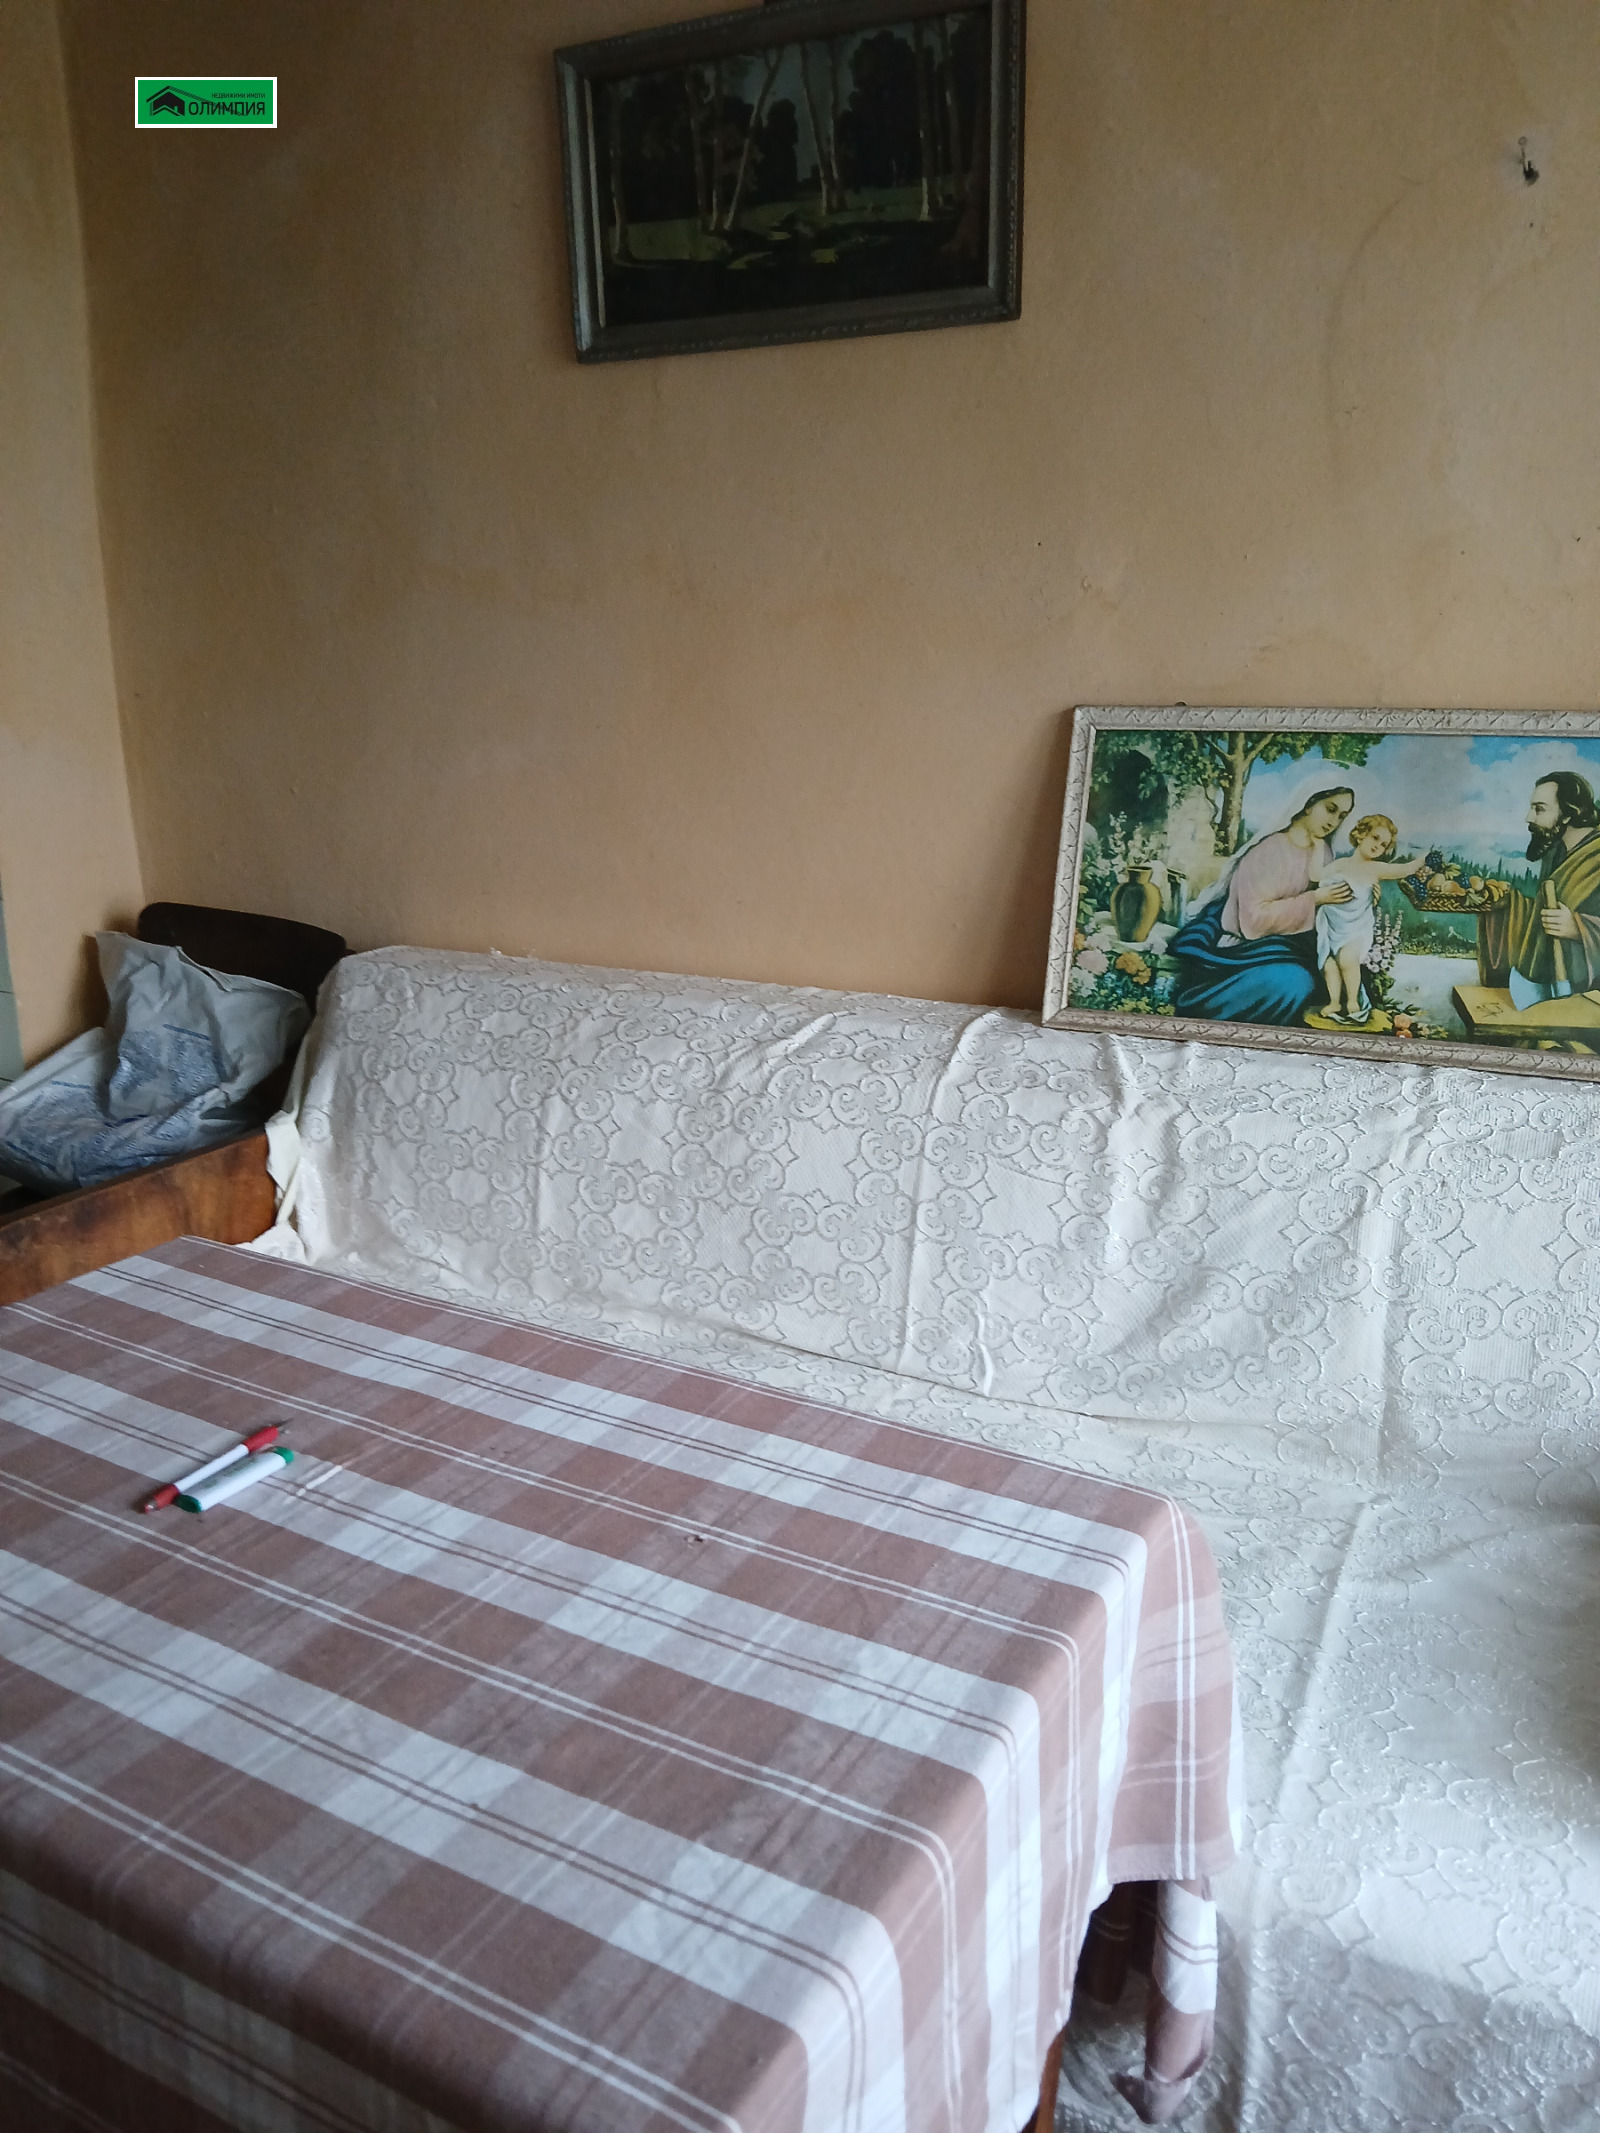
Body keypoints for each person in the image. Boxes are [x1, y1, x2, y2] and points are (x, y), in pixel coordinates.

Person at [1170, 787, 1357, 1025]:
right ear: (1309, 804)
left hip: (1288, 947)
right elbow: (1254, 920)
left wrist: (1361, 890)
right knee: (1293, 982)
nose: (1334, 821)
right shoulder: (1269, 851)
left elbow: (1332, 900)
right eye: (1330, 809)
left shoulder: (1323, 853)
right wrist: (1315, 899)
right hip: (1244, 948)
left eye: (1341, 816)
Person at [1477, 770, 1600, 1005]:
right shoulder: (1557, 851)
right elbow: (1542, 915)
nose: (1528, 817)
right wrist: (1507, 903)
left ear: (1568, 814)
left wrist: (1578, 928)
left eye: (1539, 809)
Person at [1314, 814, 1422, 1023]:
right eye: (1375, 838)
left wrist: (1424, 859)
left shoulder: (1376, 868)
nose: (1377, 846)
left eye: (1383, 845)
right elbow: (1317, 877)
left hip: (1356, 927)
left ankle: (1352, 1001)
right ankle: (1334, 1002)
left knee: (1347, 959)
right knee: (1329, 965)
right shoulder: (1340, 864)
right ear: (1360, 834)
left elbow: (1403, 869)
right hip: (1332, 923)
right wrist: (1318, 846)